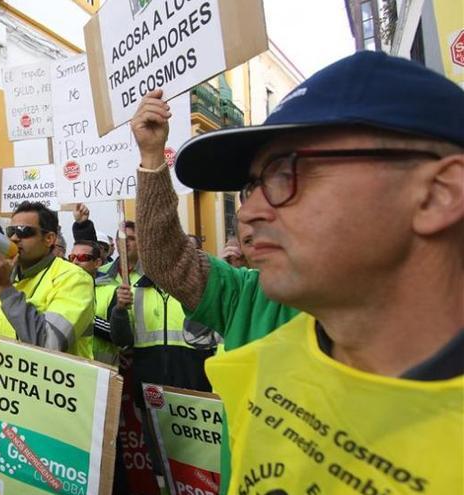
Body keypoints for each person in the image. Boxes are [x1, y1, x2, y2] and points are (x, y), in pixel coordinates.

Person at [135, 51, 463, 492]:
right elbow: (167, 260)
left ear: (438, 194)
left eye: (287, 173)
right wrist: (152, 158)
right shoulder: (254, 352)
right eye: (250, 187)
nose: (247, 212)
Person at [0, 201, 94, 359]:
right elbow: (1, 332)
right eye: (11, 231)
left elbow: (49, 343)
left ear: (49, 238)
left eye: (24, 231)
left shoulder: (74, 279)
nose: (15, 238)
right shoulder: (2, 277)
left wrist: (4, 288)